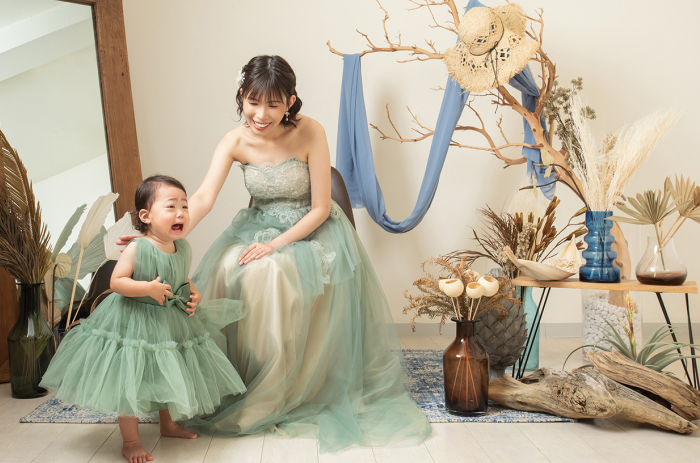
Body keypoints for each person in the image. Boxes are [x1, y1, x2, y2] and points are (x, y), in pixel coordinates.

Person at [121, 55, 431, 452]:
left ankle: (276, 390)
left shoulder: (310, 131)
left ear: (290, 101)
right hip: (258, 224)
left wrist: (275, 244)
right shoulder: (234, 140)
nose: (261, 114)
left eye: (273, 104)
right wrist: (151, 235)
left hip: (312, 229)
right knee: (225, 268)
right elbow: (201, 199)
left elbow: (321, 207)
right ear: (241, 96)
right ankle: (235, 382)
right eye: (253, 102)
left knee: (271, 273)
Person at [41, 175, 246, 463]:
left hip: (169, 321)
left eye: (184, 207)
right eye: (171, 206)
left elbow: (181, 277)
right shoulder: (138, 247)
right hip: (134, 319)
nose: (180, 213)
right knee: (131, 379)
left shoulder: (182, 247)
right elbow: (118, 282)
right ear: (146, 216)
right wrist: (147, 288)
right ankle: (131, 441)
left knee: (167, 372)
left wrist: (194, 293)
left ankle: (168, 424)